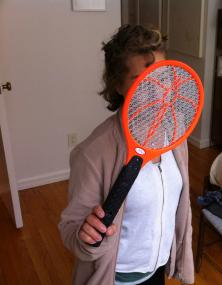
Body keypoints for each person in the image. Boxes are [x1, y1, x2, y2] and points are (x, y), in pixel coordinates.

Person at [59, 25, 194, 285]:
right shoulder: (93, 153)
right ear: (118, 85)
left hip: (157, 268)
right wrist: (84, 235)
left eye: (163, 77)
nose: (159, 91)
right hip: (117, 277)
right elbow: (71, 229)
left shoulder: (175, 129)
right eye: (144, 80)